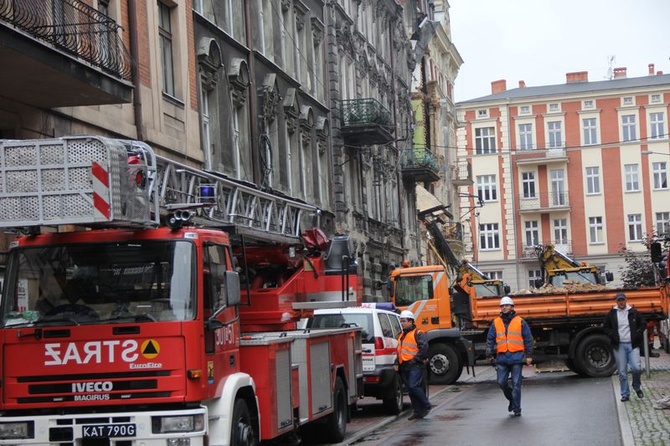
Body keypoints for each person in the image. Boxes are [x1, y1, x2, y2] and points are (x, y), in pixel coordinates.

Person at [485, 296, 533, 417]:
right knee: (501, 382)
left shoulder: (520, 321)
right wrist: (489, 353)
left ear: (512, 307)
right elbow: (490, 339)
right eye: (502, 306)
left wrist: (529, 355)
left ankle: (517, 409)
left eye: (506, 305)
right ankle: (512, 399)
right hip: (502, 358)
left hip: (516, 357)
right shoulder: (496, 322)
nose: (504, 307)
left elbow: (528, 339)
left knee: (516, 384)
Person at [603, 292, 646, 402]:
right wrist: (612, 335)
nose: (621, 302)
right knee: (622, 371)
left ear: (626, 300)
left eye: (622, 300)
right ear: (616, 302)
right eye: (619, 300)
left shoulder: (633, 312)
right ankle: (625, 394)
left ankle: (636, 386)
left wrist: (638, 333)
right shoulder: (612, 313)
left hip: (633, 344)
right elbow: (606, 327)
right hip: (619, 345)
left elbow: (643, 324)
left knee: (637, 368)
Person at [394, 310, 431, 420]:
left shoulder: (418, 333)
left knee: (414, 386)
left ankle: (426, 404)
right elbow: (399, 350)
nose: (402, 323)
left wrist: (415, 360)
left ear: (410, 321)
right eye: (401, 321)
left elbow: (424, 347)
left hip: (414, 365)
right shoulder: (401, 335)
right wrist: (396, 363)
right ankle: (417, 411)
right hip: (404, 365)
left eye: (404, 321)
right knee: (410, 389)